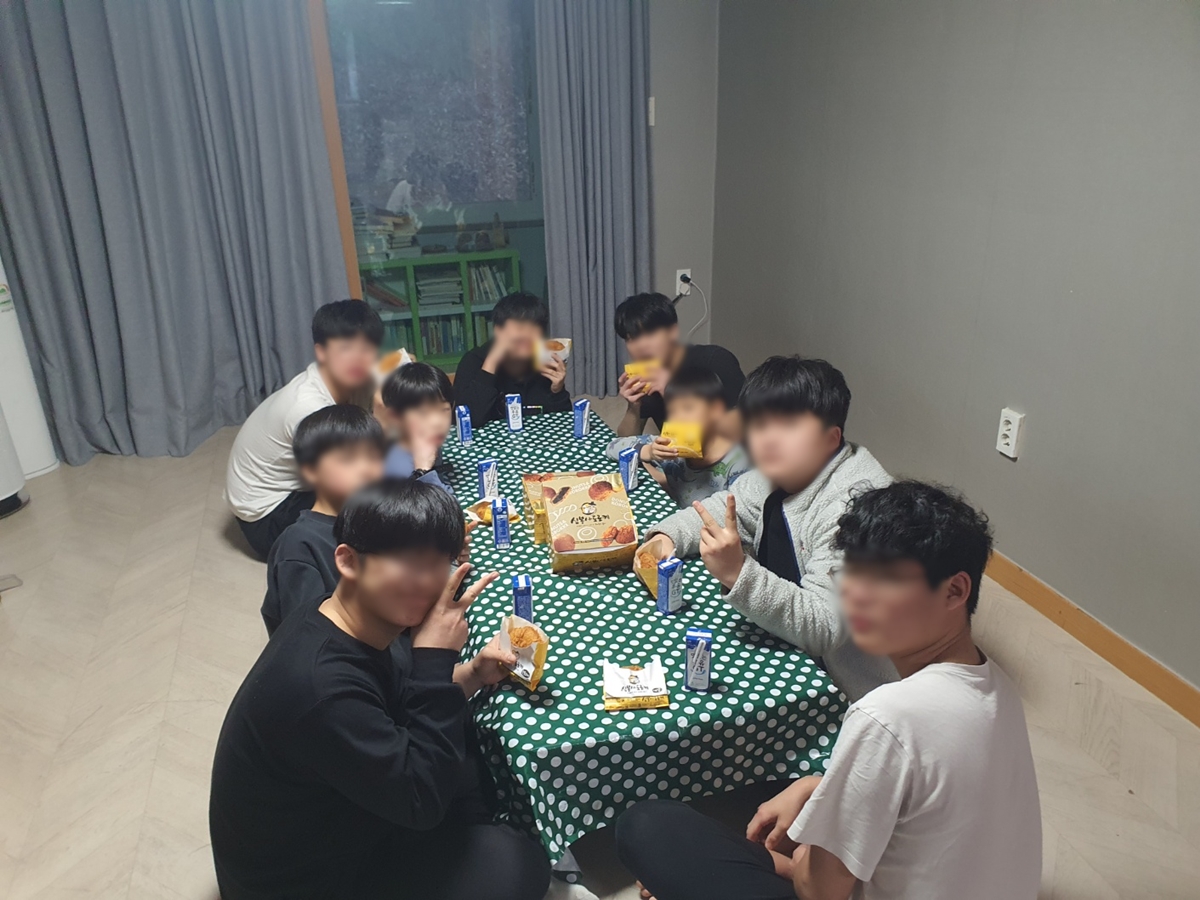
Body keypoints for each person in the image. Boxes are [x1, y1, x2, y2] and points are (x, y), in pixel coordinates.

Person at [616, 481, 1042, 900]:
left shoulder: (886, 717)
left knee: (648, 826)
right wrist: (817, 786)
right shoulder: (995, 685)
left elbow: (818, 890)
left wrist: (790, 855)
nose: (853, 597)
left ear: (954, 590)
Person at [210, 479, 551, 900]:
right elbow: (421, 801)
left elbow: (397, 702)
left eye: (440, 564)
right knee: (515, 863)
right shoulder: (322, 689)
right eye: (409, 563)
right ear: (349, 560)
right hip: (307, 879)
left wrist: (472, 675)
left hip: (336, 817)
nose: (429, 582)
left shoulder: (335, 616)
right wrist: (433, 657)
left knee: (469, 764)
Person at [636, 356, 895, 701]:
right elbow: (723, 508)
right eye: (758, 426)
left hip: (849, 690)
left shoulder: (857, 506)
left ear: (831, 438)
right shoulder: (782, 470)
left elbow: (825, 627)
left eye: (787, 426)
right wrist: (666, 536)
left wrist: (738, 572)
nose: (767, 440)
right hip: (787, 645)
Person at [226, 300, 383, 557]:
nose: (359, 359)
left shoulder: (336, 380)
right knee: (376, 500)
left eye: (367, 348)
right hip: (267, 518)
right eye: (346, 348)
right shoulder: (309, 407)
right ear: (321, 352)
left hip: (280, 490)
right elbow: (360, 468)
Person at [261, 405, 385, 636]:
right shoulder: (299, 546)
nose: (367, 469)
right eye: (349, 459)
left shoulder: (372, 520)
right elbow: (307, 637)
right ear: (310, 471)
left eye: (374, 456)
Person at [606, 365, 750, 508]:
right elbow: (612, 447)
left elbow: (738, 514)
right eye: (672, 411)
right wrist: (649, 451)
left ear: (715, 411)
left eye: (688, 408)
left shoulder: (739, 464)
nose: (679, 418)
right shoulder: (670, 447)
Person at [614, 292, 745, 437]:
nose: (640, 346)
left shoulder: (716, 360)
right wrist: (633, 407)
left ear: (673, 332)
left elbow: (746, 427)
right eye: (631, 338)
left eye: (649, 334)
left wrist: (672, 391)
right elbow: (625, 439)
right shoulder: (648, 380)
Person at [453, 292, 571, 426]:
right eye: (520, 327)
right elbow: (468, 422)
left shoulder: (544, 362)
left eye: (534, 328)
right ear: (498, 330)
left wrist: (557, 390)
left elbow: (563, 423)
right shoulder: (473, 361)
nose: (527, 335)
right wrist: (491, 362)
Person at [380, 361, 455, 495]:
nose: (436, 421)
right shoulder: (396, 468)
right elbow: (445, 505)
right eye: (423, 413)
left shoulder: (425, 440)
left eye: (443, 410)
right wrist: (423, 471)